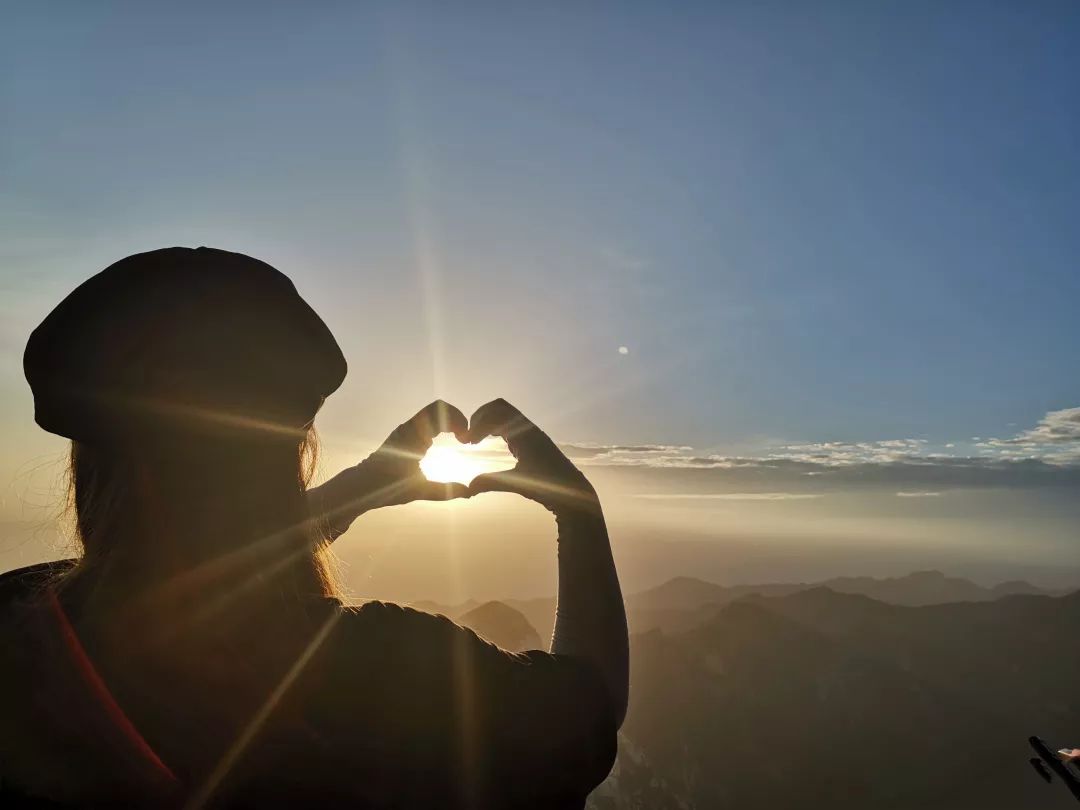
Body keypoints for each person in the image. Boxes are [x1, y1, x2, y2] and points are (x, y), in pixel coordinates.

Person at [0, 247, 628, 808]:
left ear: (91, 458)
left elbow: (204, 579)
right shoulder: (376, 672)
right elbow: (589, 713)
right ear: (285, 453)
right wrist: (578, 512)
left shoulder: (20, 619)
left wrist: (367, 484)